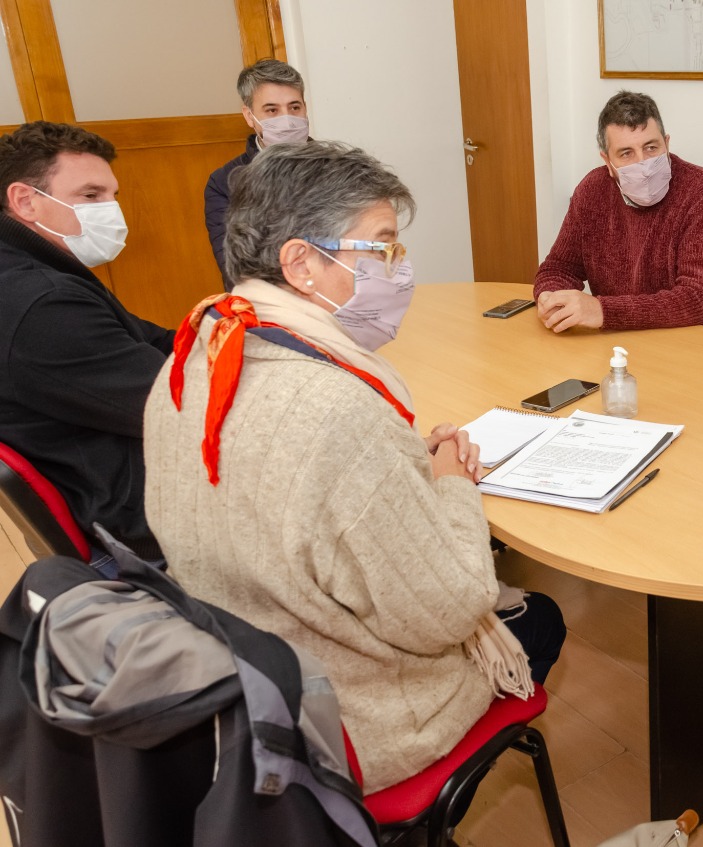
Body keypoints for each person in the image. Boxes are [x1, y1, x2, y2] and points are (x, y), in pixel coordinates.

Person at [145, 141, 565, 795]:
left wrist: (400, 475)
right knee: (539, 616)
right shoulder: (335, 410)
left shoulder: (191, 355)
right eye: (383, 246)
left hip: (242, 683)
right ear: (301, 263)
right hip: (349, 721)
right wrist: (451, 479)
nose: (402, 270)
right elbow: (452, 610)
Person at [0, 121, 173, 566]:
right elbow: (179, 403)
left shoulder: (40, 272)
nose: (112, 211)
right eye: (91, 196)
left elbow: (153, 340)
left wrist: (242, 334)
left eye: (114, 196)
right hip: (141, 524)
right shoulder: (41, 302)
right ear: (25, 201)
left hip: (114, 486)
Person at [533, 90, 703, 335]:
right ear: (607, 161)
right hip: (624, 342)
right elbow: (559, 268)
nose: (643, 164)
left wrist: (602, 311)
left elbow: (698, 300)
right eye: (626, 153)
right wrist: (551, 298)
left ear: (666, 144)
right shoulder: (592, 190)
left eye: (651, 148)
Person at [204, 58, 310, 289]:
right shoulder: (224, 183)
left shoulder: (340, 169)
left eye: (294, 107)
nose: (287, 120)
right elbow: (236, 270)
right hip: (272, 305)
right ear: (249, 116)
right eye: (272, 110)